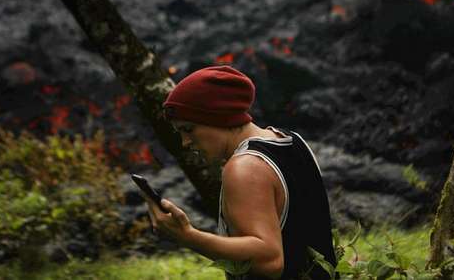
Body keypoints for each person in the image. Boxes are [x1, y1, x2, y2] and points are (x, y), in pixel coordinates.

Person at [140, 65, 337, 279]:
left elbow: (269, 261)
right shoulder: (293, 141)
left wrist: (188, 236)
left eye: (188, 129)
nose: (185, 142)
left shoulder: (244, 168)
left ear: (218, 117)